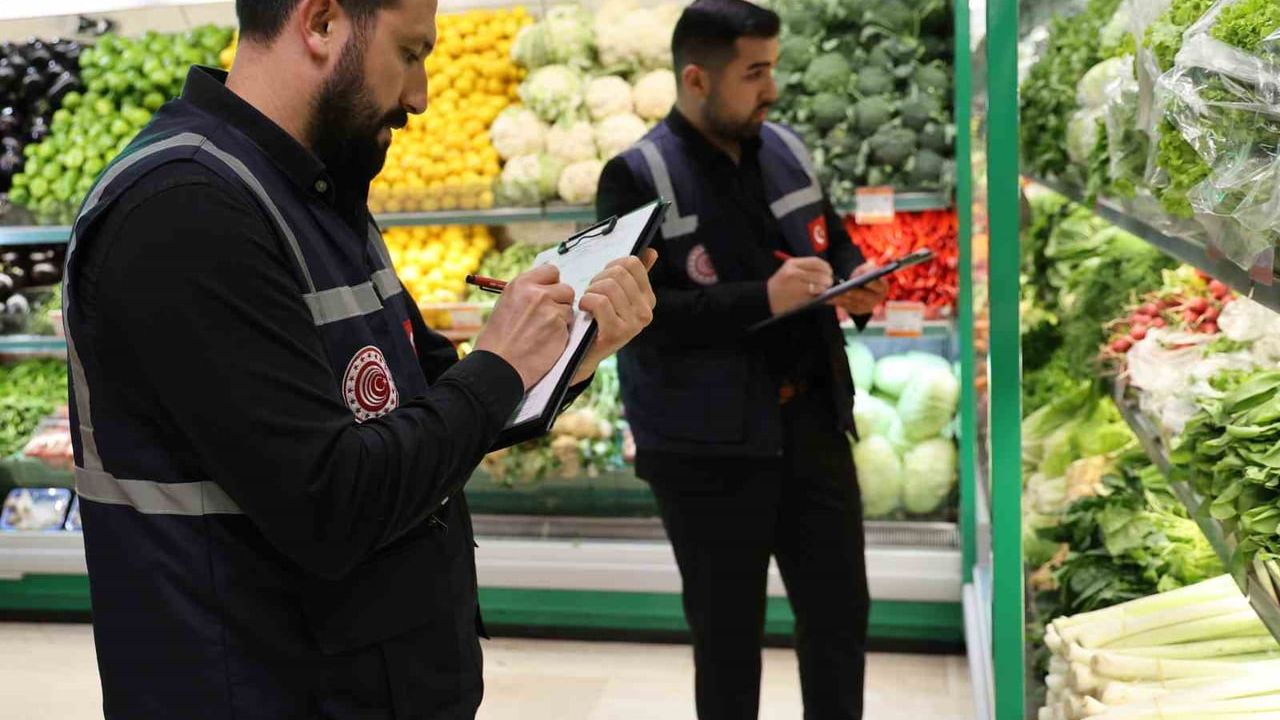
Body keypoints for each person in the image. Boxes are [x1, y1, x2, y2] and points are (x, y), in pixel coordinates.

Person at [63, 0, 656, 717]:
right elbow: (330, 506)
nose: (421, 96)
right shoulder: (185, 209)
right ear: (319, 23)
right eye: (409, 54)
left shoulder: (314, 186)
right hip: (256, 685)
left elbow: (427, 394)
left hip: (364, 678)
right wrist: (501, 364)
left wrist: (566, 352)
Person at [595, 1, 888, 718]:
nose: (772, 89)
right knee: (728, 640)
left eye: (773, 69)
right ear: (696, 79)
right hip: (704, 450)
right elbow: (639, 317)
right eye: (755, 73)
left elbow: (834, 240)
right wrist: (765, 297)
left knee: (840, 619)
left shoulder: (784, 146)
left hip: (812, 424)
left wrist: (857, 281)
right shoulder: (635, 177)